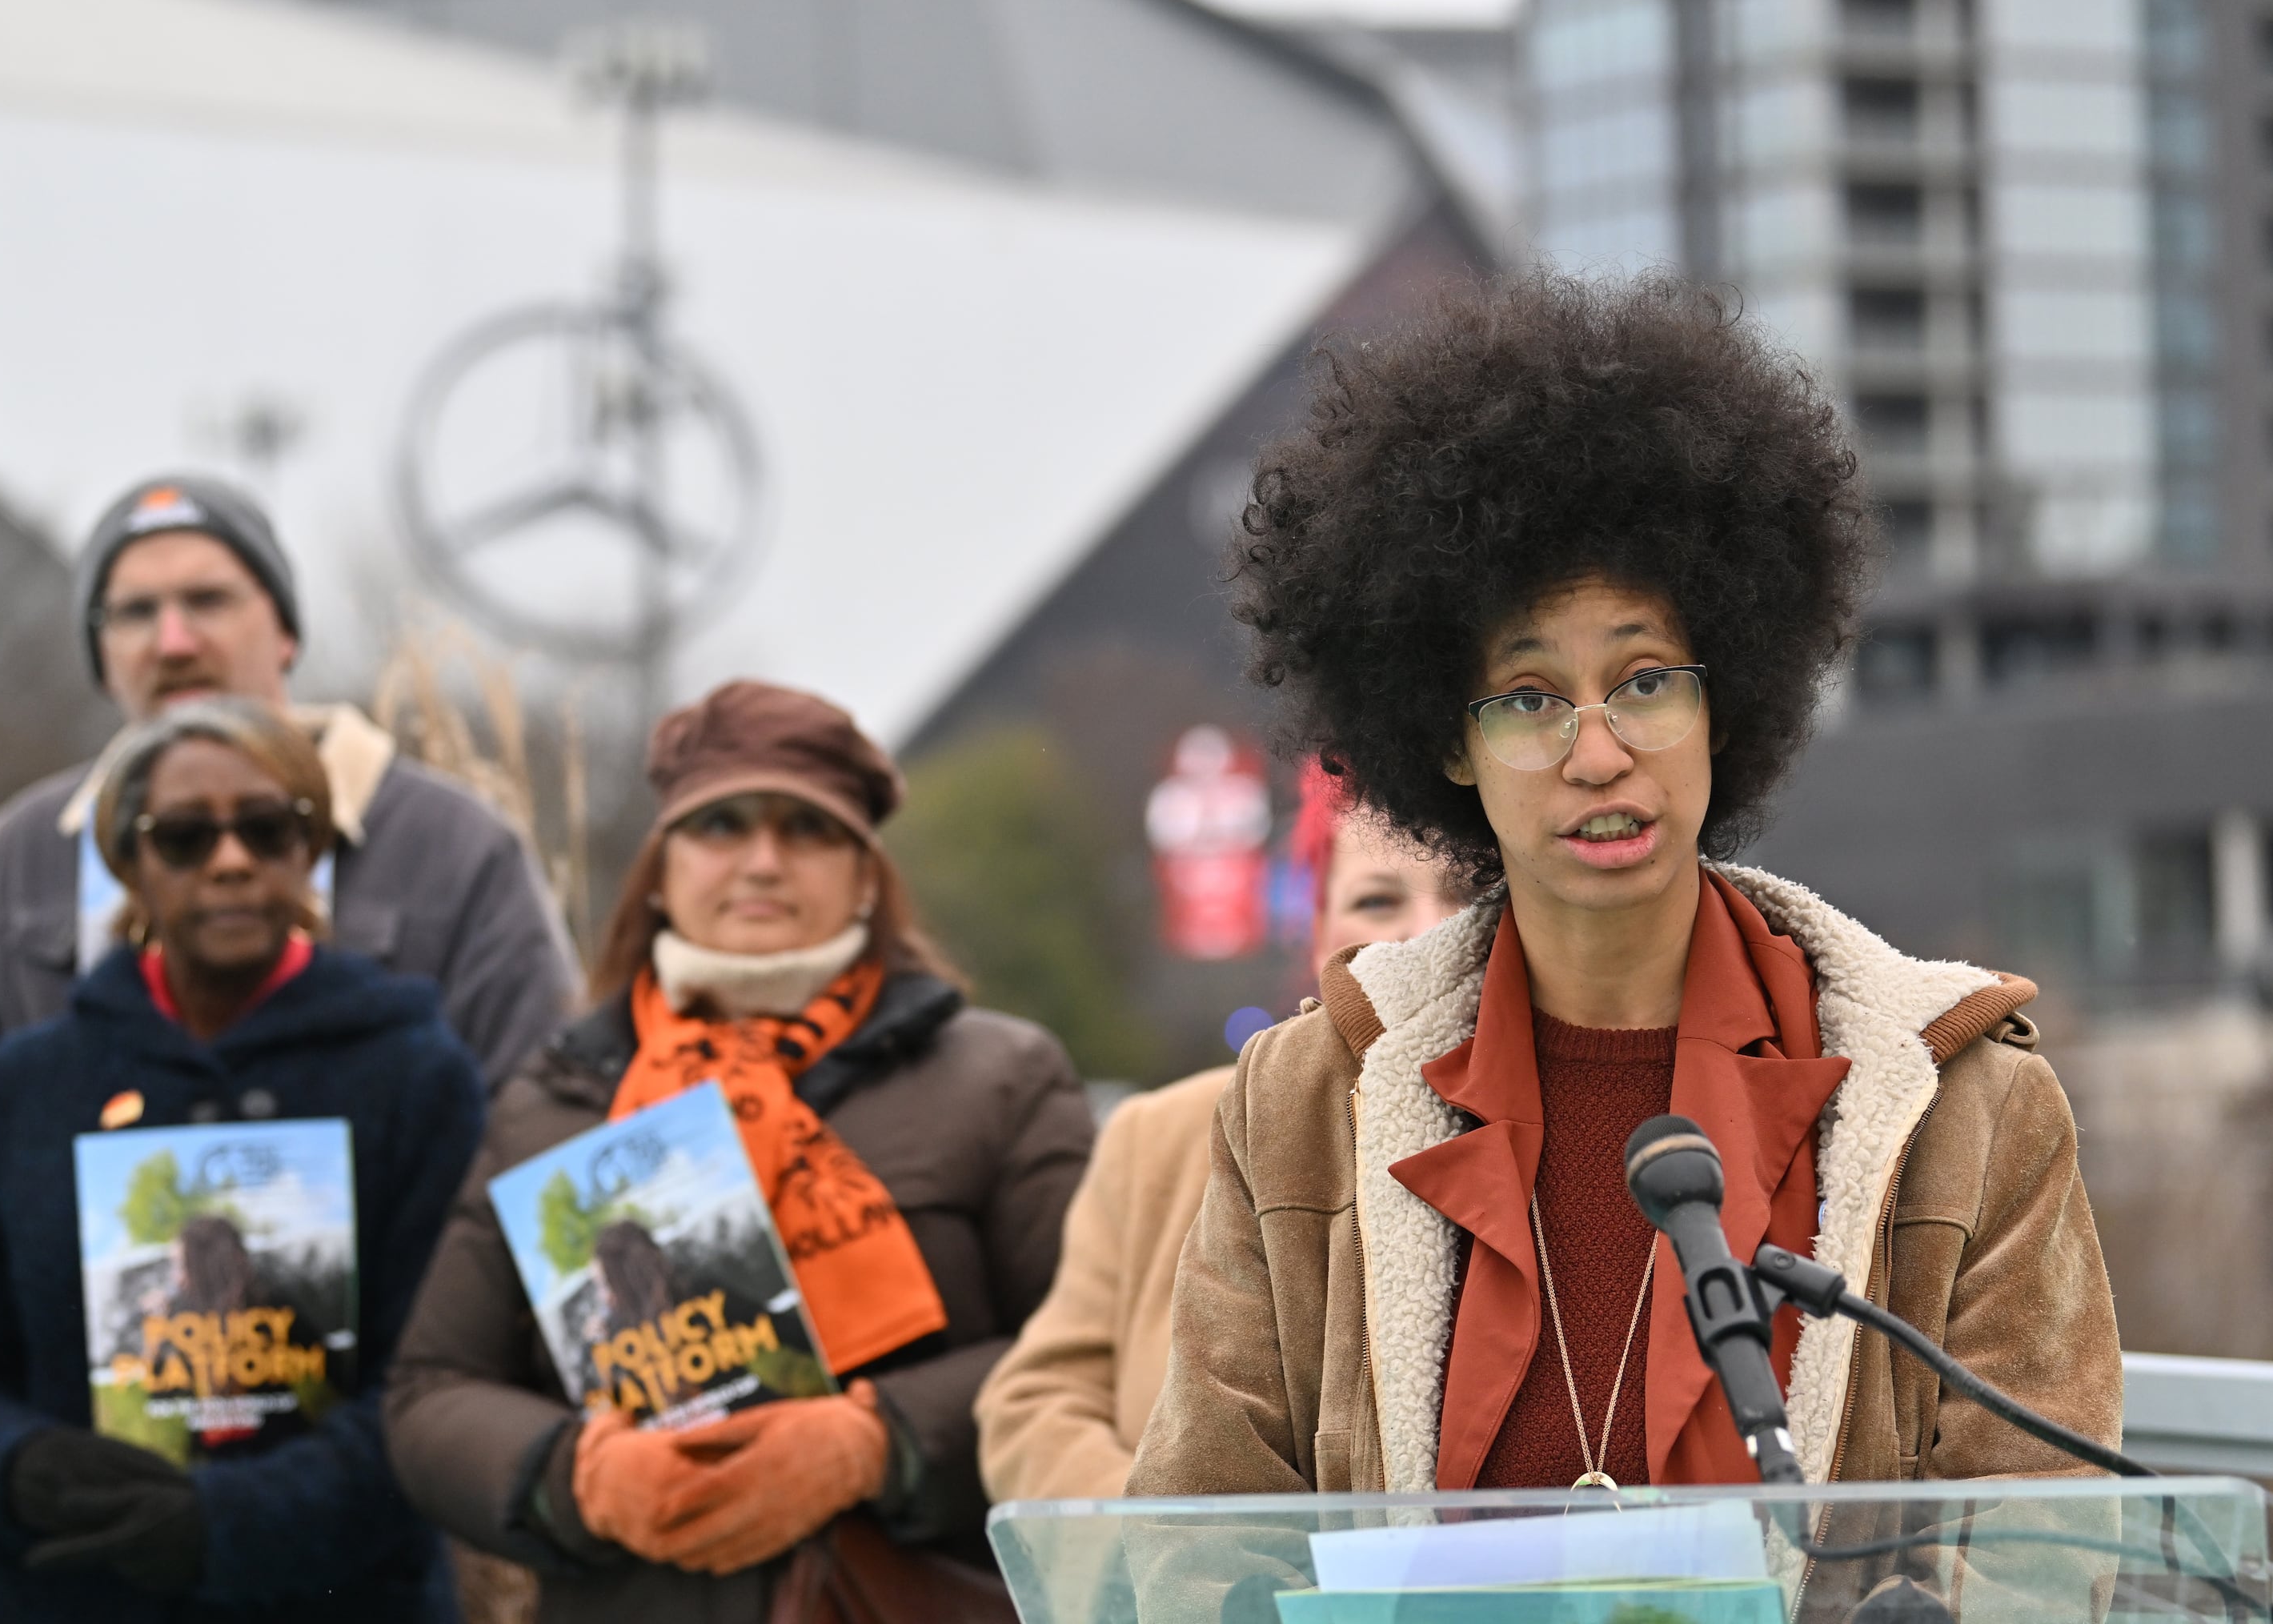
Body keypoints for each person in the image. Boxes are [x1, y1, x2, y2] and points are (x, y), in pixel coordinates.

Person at [1127, 271, 2122, 1507]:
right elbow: (1198, 1542)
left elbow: (2037, 1560)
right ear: (1448, 743)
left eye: (1646, 680)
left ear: (1727, 703)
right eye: (1532, 699)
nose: (1599, 752)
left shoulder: (1967, 1111)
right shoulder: (1305, 1098)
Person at [385, 680, 1092, 1622]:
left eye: (807, 830)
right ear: (662, 867)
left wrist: (876, 1444)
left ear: (867, 873)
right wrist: (582, 1476)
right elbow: (431, 1392)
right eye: (720, 826)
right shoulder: (556, 1102)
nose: (762, 861)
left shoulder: (999, 1078)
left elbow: (1090, 1351)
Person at [0, 696, 484, 1622]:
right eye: (183, 838)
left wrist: (227, 1523)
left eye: (267, 829)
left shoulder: (415, 1077)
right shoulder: (25, 1089)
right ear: (128, 861)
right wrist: (16, 1470)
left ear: (313, 848)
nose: (232, 862)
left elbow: (438, 1389)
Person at [0, 473, 575, 1170]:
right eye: (135, 613)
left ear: (286, 631)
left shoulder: (453, 845)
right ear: (102, 660)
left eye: (209, 600)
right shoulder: (22, 855)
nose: (173, 642)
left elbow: (535, 1118)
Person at [974, 760, 1469, 1501]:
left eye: (1467, 896)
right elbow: (1035, 1402)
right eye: (1375, 900)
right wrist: (1170, 1560)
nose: (1424, 934)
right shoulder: (1158, 1137)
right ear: (1315, 928)